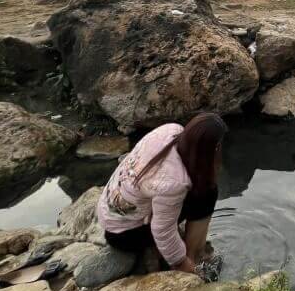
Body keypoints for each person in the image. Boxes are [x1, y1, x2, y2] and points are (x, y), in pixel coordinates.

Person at [97, 113, 226, 275]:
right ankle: (193, 255)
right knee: (207, 193)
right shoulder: (174, 182)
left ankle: (192, 249)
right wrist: (182, 264)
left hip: (109, 214)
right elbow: (163, 231)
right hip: (124, 235)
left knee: (201, 189)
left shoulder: (170, 130)